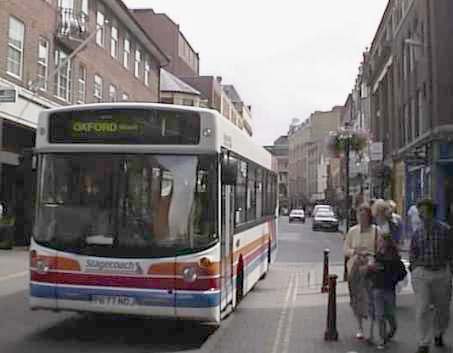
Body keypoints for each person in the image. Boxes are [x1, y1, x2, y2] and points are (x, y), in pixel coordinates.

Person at [410, 198, 453, 353]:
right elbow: (413, 253)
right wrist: (414, 269)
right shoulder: (417, 233)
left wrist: (450, 271)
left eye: (424, 212)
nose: (421, 216)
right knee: (422, 308)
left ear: (432, 213)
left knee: (443, 309)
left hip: (441, 272)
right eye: (420, 212)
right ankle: (423, 342)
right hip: (422, 273)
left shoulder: (445, 230)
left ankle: (438, 332)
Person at [344, 204, 380, 340]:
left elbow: (381, 250)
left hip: (371, 268)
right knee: (357, 299)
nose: (362, 218)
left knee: (371, 298)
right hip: (355, 268)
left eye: (364, 215)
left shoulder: (376, 231)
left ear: (369, 217)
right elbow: (345, 249)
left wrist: (370, 256)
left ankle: (371, 328)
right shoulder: (352, 231)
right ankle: (360, 328)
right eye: (360, 215)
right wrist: (354, 252)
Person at [367, 234, 407, 349]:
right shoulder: (377, 256)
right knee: (380, 315)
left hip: (389, 290)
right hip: (377, 288)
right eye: (379, 241)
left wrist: (392, 280)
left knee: (389, 313)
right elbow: (370, 273)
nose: (379, 243)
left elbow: (402, 273)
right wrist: (371, 271)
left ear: (387, 242)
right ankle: (382, 340)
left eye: (381, 241)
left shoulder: (394, 258)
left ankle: (393, 328)